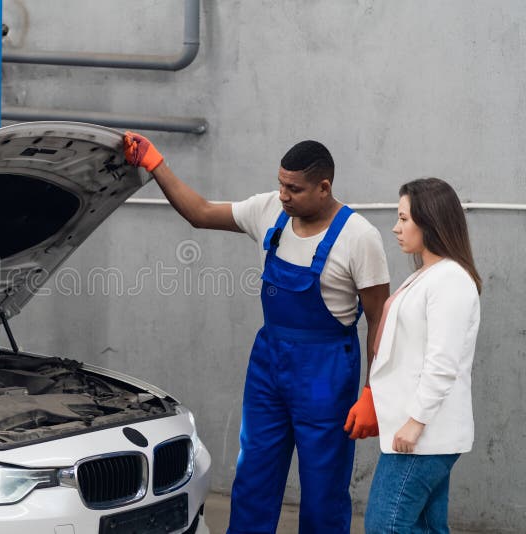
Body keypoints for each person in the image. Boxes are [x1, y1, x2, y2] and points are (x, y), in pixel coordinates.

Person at [123, 132, 390, 533]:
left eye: (294, 189)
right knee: (253, 480)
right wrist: (155, 162)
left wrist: (373, 393)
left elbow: (380, 321)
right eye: (280, 184)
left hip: (326, 373)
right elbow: (199, 213)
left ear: (324, 188)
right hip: (268, 366)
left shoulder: (360, 237)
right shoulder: (269, 210)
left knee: (323, 490)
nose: (283, 195)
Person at [364, 178, 481, 533]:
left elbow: (442, 362)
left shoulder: (449, 280)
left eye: (403, 219)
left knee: (386, 525)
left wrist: (416, 422)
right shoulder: (428, 275)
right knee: (427, 527)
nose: (396, 228)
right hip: (418, 431)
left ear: (430, 222)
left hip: (425, 436)